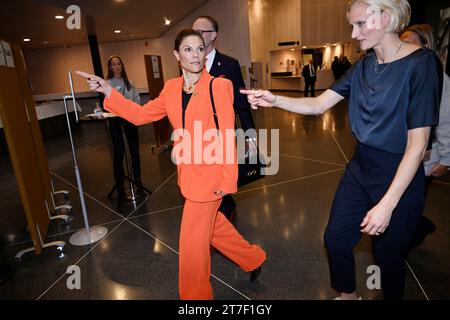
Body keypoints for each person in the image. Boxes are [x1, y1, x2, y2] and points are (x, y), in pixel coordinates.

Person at [242, 0, 442, 300]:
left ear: (386, 18)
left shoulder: (422, 64)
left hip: (399, 171)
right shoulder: (363, 65)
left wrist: (387, 205)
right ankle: (349, 296)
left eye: (360, 24)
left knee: (388, 256)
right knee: (335, 239)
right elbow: (318, 104)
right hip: (361, 166)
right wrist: (275, 100)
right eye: (352, 25)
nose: (354, 32)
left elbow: (418, 145)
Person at [76, 29, 266, 300]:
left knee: (191, 246)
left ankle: (195, 299)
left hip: (212, 177)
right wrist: (107, 89)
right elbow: (141, 115)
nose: (196, 55)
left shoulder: (219, 86)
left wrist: (227, 181)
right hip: (187, 175)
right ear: (177, 55)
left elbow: (226, 134)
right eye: (188, 49)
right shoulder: (171, 88)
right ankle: (253, 258)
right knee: (213, 228)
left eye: (200, 48)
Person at [192, 16, 256, 221]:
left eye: (202, 31)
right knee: (205, 177)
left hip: (223, 132)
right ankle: (212, 212)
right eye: (194, 31)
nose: (197, 35)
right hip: (198, 133)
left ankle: (226, 212)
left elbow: (241, 101)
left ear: (213, 35)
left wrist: (250, 135)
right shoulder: (189, 64)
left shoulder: (229, 64)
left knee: (224, 174)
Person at [400, 24, 450, 247]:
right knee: (402, 198)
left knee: (408, 201)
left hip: (425, 156)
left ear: (425, 46)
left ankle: (415, 230)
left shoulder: (441, 79)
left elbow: (446, 120)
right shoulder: (400, 74)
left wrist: (447, 158)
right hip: (399, 151)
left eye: (409, 42)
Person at [105, 55, 146, 202]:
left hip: (130, 121)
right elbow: (108, 103)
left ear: (122, 66)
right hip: (116, 123)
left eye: (119, 64)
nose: (116, 66)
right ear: (110, 67)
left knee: (135, 152)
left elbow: (137, 100)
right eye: (113, 64)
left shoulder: (130, 83)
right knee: (119, 154)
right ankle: (120, 187)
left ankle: (138, 183)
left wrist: (133, 110)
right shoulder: (107, 84)